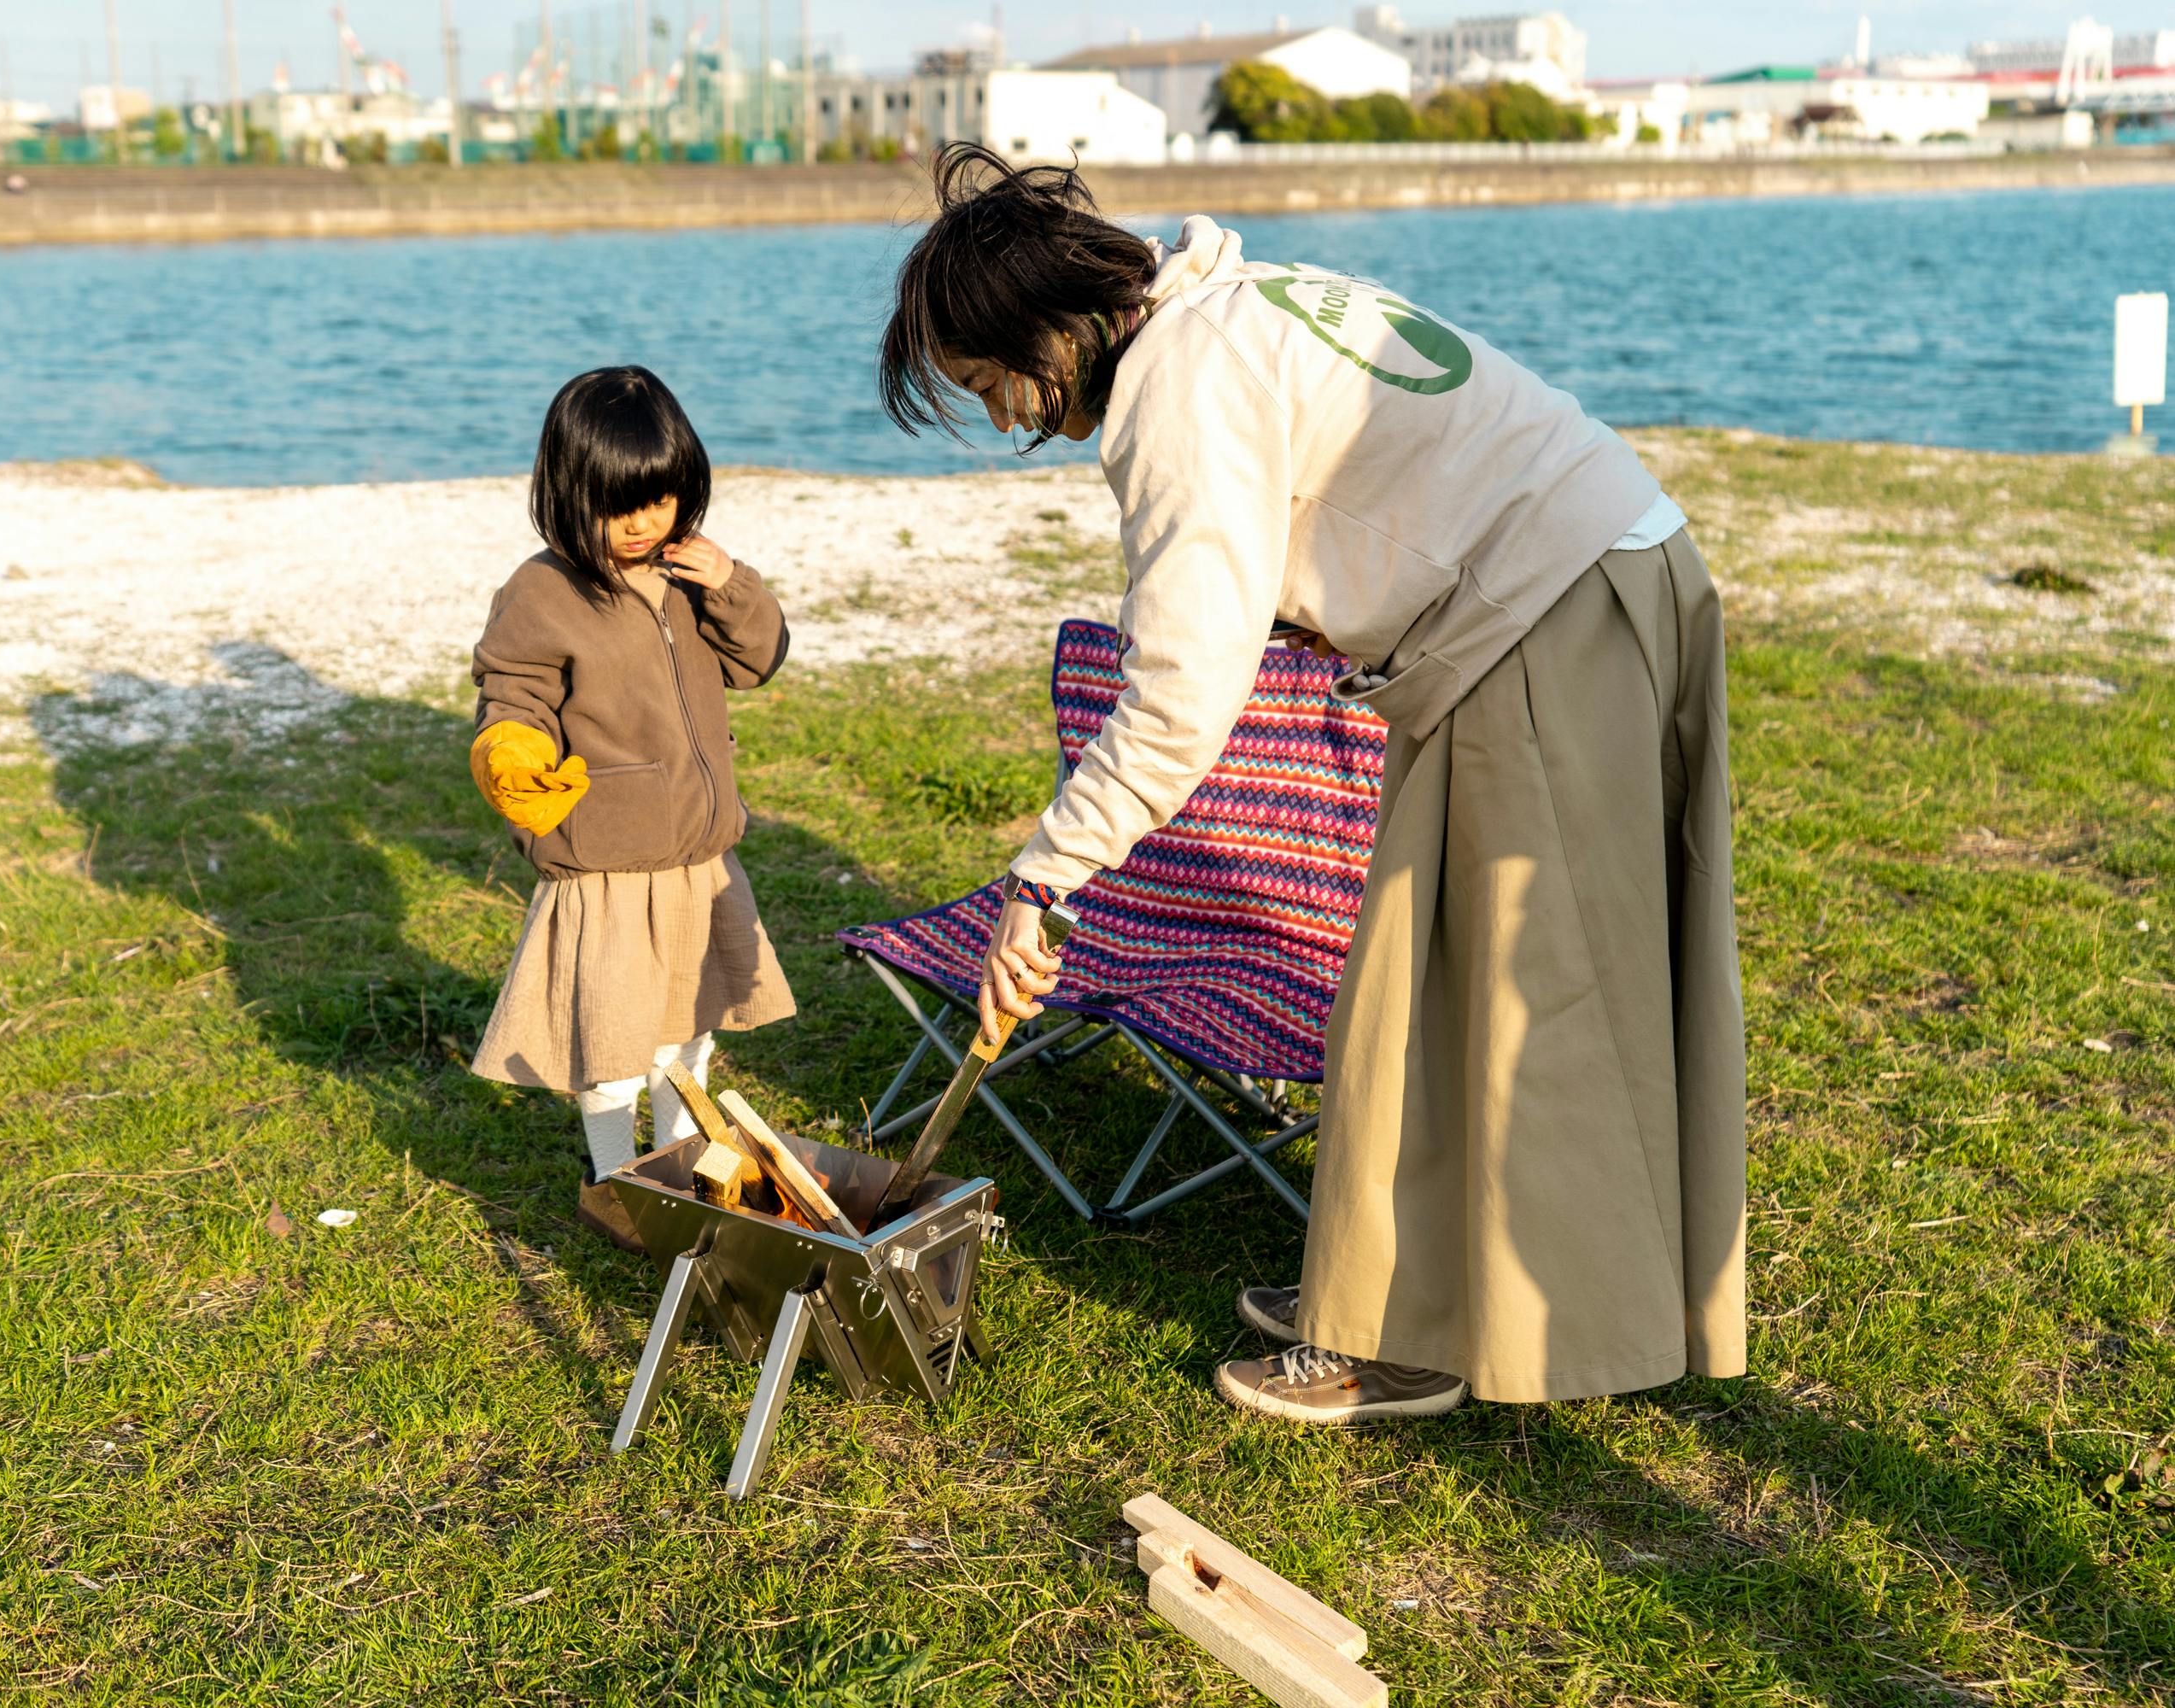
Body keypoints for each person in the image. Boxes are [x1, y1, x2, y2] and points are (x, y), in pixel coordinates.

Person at [879, 145, 1745, 1424]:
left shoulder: (1179, 386)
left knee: (1520, 1008)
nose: (1000, 416)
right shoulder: (1224, 309)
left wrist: (1046, 875)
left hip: (1553, 612)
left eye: (987, 379)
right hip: (1586, 581)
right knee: (1413, 984)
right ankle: (1380, 1292)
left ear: (1047, 329)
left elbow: (1181, 684)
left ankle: (1419, 1346)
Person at [469, 366, 798, 1251]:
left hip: (696, 856)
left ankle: (682, 1163)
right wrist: (512, 753)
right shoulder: (542, 594)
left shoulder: (691, 575)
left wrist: (731, 580)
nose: (646, 521)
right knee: (610, 1040)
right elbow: (513, 696)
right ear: (568, 497)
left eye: (662, 497)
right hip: (605, 864)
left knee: (684, 1030)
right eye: (623, 507)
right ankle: (614, 1179)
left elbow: (759, 657)